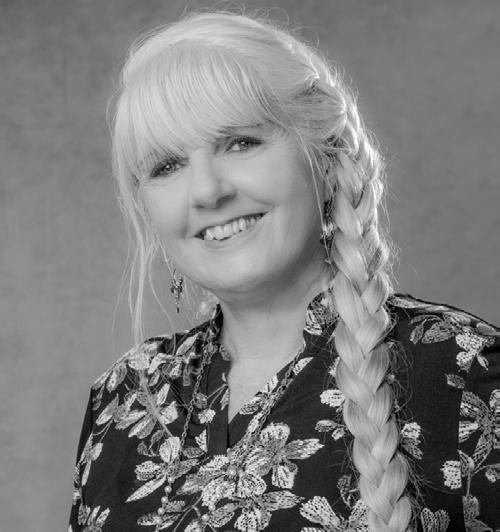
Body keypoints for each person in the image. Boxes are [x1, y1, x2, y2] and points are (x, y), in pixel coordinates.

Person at [68, 10, 500, 532]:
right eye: (167, 165)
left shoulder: (465, 372)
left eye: (241, 142)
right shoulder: (125, 396)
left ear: (324, 159)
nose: (207, 191)